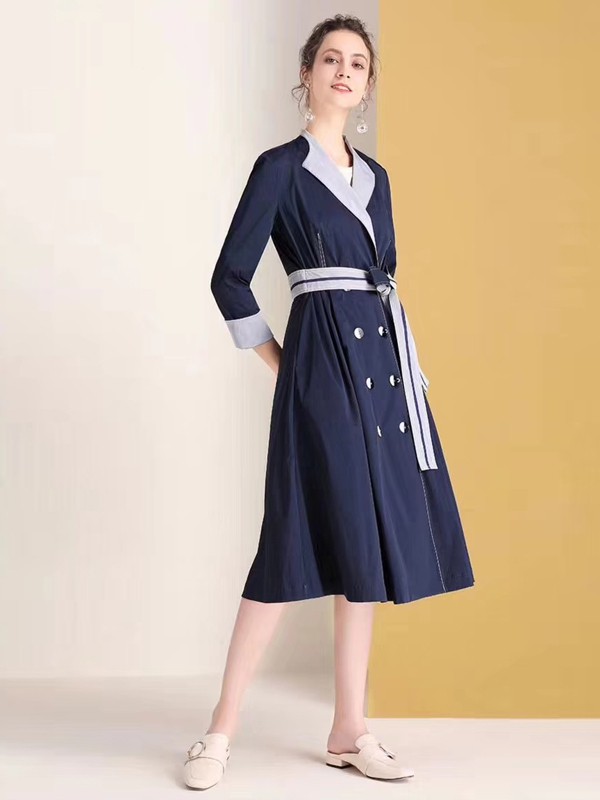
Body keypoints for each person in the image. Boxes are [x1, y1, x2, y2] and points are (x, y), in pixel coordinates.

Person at [183, 13, 475, 790]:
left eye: (359, 63)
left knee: (363, 545)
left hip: (384, 376)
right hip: (321, 373)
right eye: (332, 60)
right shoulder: (280, 168)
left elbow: (385, 276)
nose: (345, 71)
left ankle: (349, 728)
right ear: (307, 74)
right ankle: (219, 731)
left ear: (368, 86)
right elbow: (229, 277)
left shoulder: (379, 178)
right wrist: (285, 365)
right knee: (288, 543)